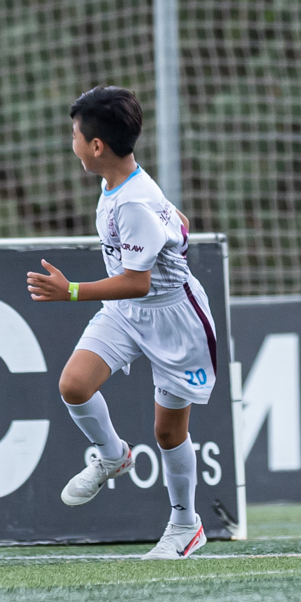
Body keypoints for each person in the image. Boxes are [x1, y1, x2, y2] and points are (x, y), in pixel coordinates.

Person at [25, 86, 219, 561]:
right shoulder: (121, 182)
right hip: (127, 313)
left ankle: (186, 526)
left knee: (168, 433)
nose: (71, 142)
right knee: (74, 385)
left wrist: (71, 291)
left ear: (96, 146)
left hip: (174, 319)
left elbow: (136, 281)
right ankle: (113, 456)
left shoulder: (133, 201)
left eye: (75, 134)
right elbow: (180, 222)